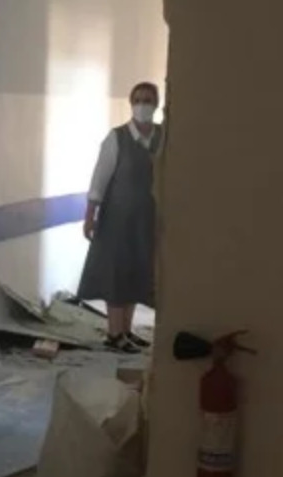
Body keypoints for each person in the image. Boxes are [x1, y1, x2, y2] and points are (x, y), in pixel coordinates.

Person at [78, 82, 163, 353]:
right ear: (130, 103)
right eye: (138, 99)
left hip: (146, 220)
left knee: (136, 272)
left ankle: (126, 330)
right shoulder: (117, 138)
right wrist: (90, 216)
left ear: (157, 103)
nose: (143, 105)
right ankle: (114, 333)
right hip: (117, 219)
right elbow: (99, 180)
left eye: (148, 99)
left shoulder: (162, 137)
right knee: (116, 273)